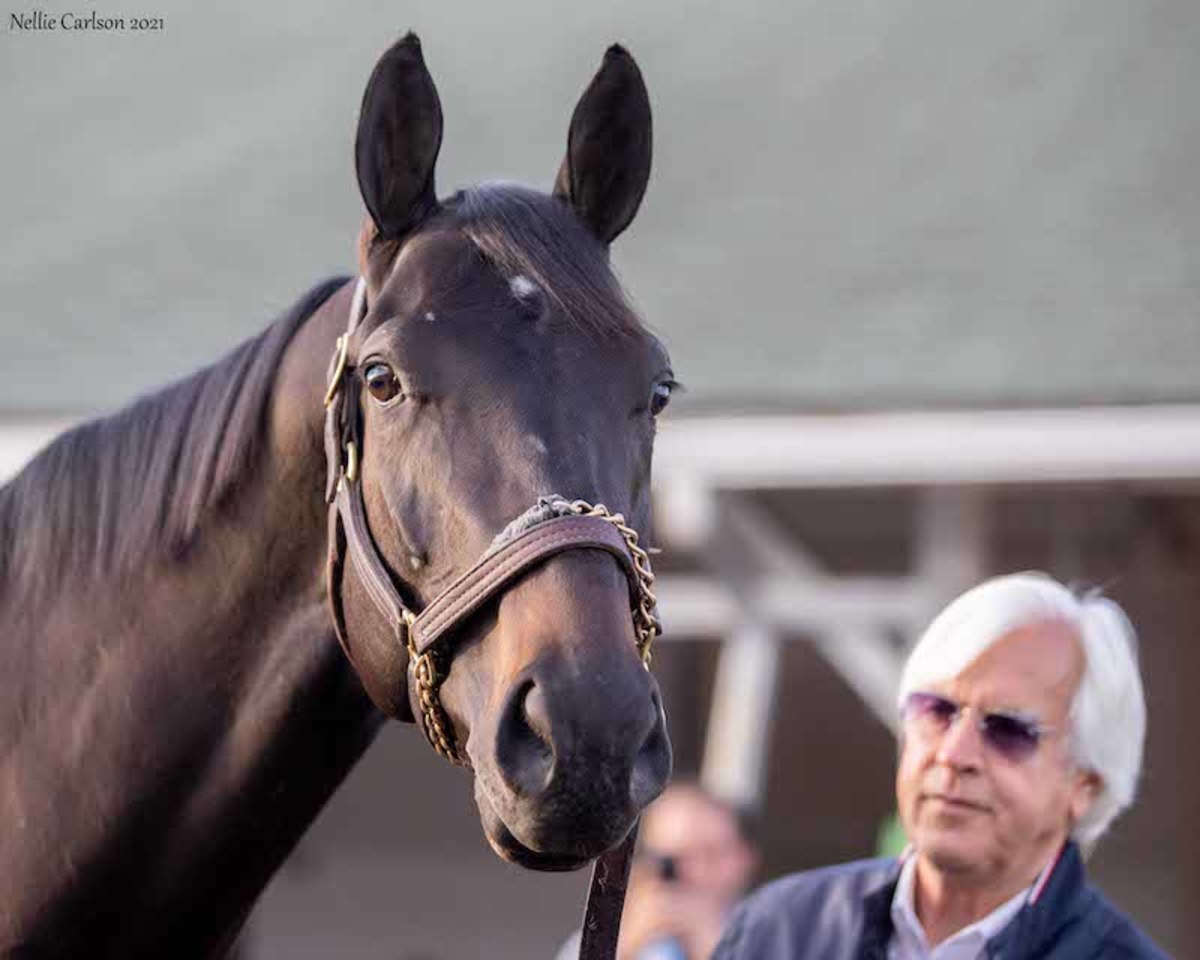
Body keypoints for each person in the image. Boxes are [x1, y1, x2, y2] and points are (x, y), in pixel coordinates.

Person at [713, 573, 1166, 959]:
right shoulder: (779, 932)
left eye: (1008, 729)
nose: (954, 753)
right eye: (937, 710)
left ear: (1083, 786)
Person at [556, 782, 758, 960]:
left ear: (744, 857)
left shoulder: (773, 935)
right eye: (672, 861)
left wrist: (714, 948)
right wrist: (622, 945)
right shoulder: (610, 936)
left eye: (710, 855)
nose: (692, 873)